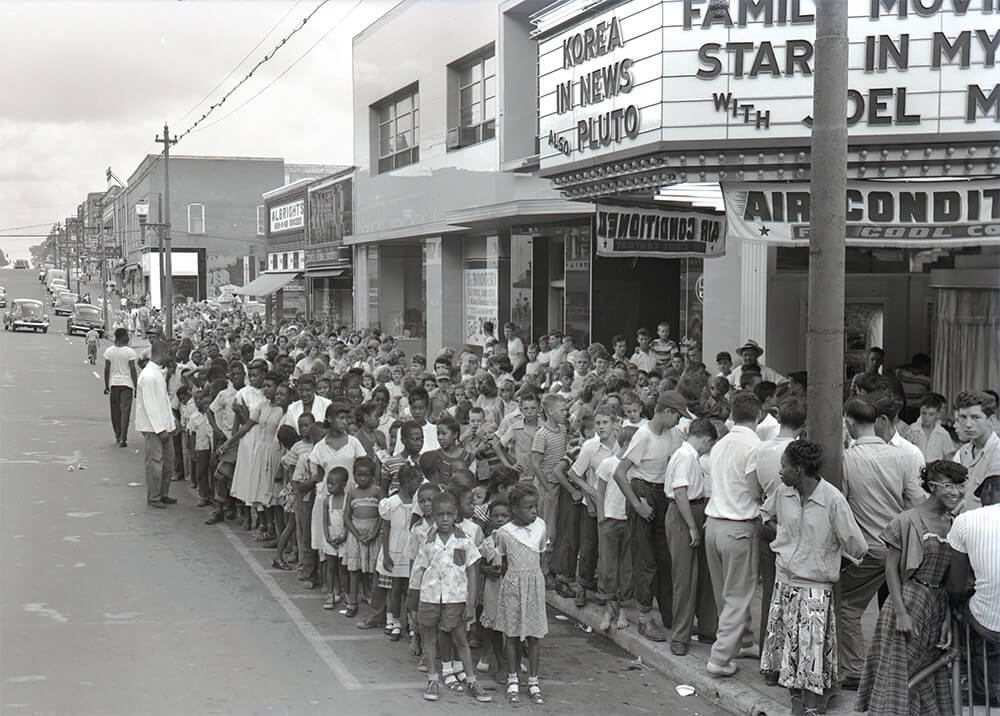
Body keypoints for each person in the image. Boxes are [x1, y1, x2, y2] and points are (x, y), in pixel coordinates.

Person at [759, 441, 867, 716]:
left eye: (784, 466)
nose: (780, 471)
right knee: (788, 656)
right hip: (785, 582)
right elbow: (765, 517)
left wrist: (828, 559)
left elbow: (856, 546)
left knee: (810, 658)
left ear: (798, 469)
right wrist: (783, 537)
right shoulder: (783, 493)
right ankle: (798, 707)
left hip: (815, 589)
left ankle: (812, 709)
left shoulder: (832, 500)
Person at [856, 460, 968, 716]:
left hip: (937, 606)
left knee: (928, 674)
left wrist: (948, 620)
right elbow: (891, 570)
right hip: (908, 601)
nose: (956, 492)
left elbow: (951, 580)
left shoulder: (955, 523)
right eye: (949, 486)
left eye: (960, 486)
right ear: (932, 486)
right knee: (898, 676)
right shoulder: (906, 520)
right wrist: (901, 613)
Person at [839, 397, 927, 690]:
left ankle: (854, 670)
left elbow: (841, 504)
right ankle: (898, 667)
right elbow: (917, 502)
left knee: (847, 607)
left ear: (850, 423)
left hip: (866, 550)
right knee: (895, 609)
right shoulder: (901, 457)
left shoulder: (847, 459)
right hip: (898, 548)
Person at [613, 390, 690, 642]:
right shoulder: (643, 435)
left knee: (665, 557)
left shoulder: (672, 434)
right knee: (645, 559)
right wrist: (636, 504)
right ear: (666, 411)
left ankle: (668, 613)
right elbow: (620, 472)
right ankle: (645, 617)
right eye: (677, 415)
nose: (679, 420)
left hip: (662, 493)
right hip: (643, 490)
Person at [410, 491, 490, 703]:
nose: (444, 519)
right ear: (433, 516)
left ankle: (472, 679)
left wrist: (471, 602)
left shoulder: (464, 540)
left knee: (460, 638)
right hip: (430, 597)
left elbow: (472, 571)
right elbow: (418, 570)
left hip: (455, 598)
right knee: (430, 638)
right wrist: (413, 600)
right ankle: (433, 679)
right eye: (439, 514)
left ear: (456, 514)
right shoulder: (427, 541)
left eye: (449, 514)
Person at [704, 390, 762, 676]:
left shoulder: (720, 443)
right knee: (738, 595)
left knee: (725, 594)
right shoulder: (754, 445)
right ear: (758, 415)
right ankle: (720, 658)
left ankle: (743, 641)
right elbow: (754, 490)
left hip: (713, 523)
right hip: (739, 526)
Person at [664, 417, 718, 656]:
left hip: (693, 510)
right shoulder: (686, 456)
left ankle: (698, 628)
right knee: (684, 578)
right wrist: (692, 527)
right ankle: (680, 635)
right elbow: (680, 491)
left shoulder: (689, 455)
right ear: (706, 439)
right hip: (684, 513)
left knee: (695, 574)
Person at [948, 473, 1000, 708]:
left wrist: (957, 606)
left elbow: (956, 586)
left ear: (988, 490)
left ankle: (982, 688)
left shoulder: (966, 520)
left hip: (986, 619)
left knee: (971, 608)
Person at [494, 483, 548, 705]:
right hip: (513, 586)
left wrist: (535, 582)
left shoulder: (540, 528)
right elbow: (503, 562)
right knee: (512, 635)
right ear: (515, 508)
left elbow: (542, 556)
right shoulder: (504, 533)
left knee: (534, 636)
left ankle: (534, 681)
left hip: (534, 585)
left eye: (535, 506)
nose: (534, 511)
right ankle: (513, 678)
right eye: (528, 507)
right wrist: (514, 584)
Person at [135, 341, 177, 509]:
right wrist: (161, 430)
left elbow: (164, 402)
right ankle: (154, 496)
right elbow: (151, 405)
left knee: (168, 461)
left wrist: (171, 424)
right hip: (154, 427)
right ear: (163, 353)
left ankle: (163, 493)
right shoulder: (149, 375)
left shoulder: (157, 373)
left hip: (164, 425)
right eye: (168, 353)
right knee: (155, 461)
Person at [953, 390, 1000, 510]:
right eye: (963, 417)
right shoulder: (964, 451)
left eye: (975, 417)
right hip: (965, 523)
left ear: (991, 420)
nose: (968, 424)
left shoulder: (997, 451)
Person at [104, 328, 139, 448]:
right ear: (122, 337)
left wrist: (106, 385)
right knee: (125, 412)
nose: (128, 338)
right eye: (127, 335)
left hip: (114, 384)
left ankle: (118, 435)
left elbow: (107, 369)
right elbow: (133, 370)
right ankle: (123, 437)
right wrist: (136, 386)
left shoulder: (109, 351)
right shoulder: (130, 352)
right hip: (127, 384)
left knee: (115, 412)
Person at [901, 393, 957, 463]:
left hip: (935, 472)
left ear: (938, 415)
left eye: (931, 414)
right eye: (924, 413)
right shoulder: (911, 430)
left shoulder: (944, 434)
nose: (926, 417)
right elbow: (903, 454)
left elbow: (948, 456)